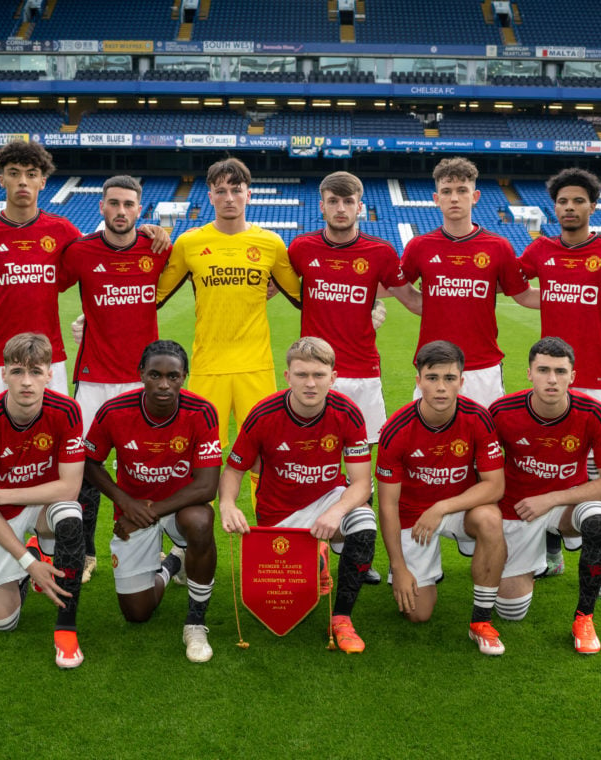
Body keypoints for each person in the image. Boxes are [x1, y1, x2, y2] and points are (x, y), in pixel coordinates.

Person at [0, 141, 81, 609]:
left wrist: (151, 231)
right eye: (14, 173)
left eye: (31, 173)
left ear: (44, 181)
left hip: (52, 364)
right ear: (1, 179)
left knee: (55, 458)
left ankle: (53, 548)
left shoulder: (62, 230)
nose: (23, 181)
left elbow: (102, 265)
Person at [288, 170, 422, 584]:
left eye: (349, 202)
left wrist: (464, 297)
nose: (341, 208)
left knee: (360, 466)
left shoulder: (380, 252)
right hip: (315, 375)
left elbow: (412, 300)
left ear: (360, 206)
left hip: (362, 374)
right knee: (315, 462)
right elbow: (268, 290)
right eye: (333, 201)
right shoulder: (301, 248)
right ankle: (316, 548)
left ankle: (354, 551)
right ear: (322, 205)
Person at [518, 167, 601, 597]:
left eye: (578, 201)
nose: (569, 208)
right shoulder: (539, 250)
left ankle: (600, 564)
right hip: (548, 380)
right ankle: (551, 554)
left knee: (599, 477)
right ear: (553, 207)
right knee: (547, 467)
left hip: (595, 384)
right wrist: (552, 296)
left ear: (592, 205)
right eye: (562, 201)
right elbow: (516, 290)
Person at [218, 338, 376, 653]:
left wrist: (336, 512)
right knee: (283, 606)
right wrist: (227, 504)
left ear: (333, 377)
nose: (310, 383)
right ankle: (316, 555)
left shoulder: (348, 413)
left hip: (328, 497)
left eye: (319, 375)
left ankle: (342, 618)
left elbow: (361, 483)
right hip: (279, 515)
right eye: (302, 375)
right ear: (287, 377)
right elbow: (234, 470)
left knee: (364, 525)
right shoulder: (263, 415)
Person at [57, 175, 173, 585]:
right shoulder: (81, 252)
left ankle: (144, 539)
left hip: (142, 381)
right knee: (86, 466)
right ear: (101, 208)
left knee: (144, 465)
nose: (121, 211)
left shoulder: (157, 248)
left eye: (129, 204)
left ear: (140, 210)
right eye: (113, 204)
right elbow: (40, 287)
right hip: (93, 380)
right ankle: (84, 551)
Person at [83, 340, 220, 663]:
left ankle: (196, 621)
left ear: (184, 376)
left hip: (178, 506)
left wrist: (145, 511)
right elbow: (90, 462)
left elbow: (207, 487)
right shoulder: (114, 411)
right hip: (136, 509)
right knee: (137, 613)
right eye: (154, 375)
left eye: (173, 376)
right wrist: (125, 502)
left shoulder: (201, 411)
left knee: (200, 522)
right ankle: (173, 562)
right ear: (140, 374)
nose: (163, 385)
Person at [0, 332, 87, 669]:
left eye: (35, 371)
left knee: (71, 515)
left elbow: (70, 488)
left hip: (46, 504)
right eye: (17, 372)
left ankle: (66, 630)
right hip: (1, 516)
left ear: (49, 374)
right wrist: (28, 564)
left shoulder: (68, 411)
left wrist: (3, 493)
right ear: (3, 375)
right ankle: (27, 559)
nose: (26, 382)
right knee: (2, 623)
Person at [157, 157, 301, 451]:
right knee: (201, 452)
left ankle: (262, 501)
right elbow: (151, 297)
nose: (229, 197)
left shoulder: (271, 244)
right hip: (207, 367)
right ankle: (207, 501)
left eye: (236, 190)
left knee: (263, 450)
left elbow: (306, 297)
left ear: (249, 194)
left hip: (256, 367)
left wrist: (370, 305)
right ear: (210, 196)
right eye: (221, 191)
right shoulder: (189, 243)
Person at [488, 337, 601, 654]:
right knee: (510, 612)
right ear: (529, 373)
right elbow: (483, 472)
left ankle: (584, 617)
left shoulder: (594, 413)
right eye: (543, 370)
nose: (552, 379)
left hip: (564, 506)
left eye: (560, 371)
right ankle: (531, 562)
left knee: (599, 518)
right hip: (517, 510)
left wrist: (550, 498)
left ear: (573, 376)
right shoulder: (501, 412)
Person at [376, 340, 509, 656]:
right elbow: (387, 505)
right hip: (412, 515)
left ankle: (481, 622)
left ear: (462, 382)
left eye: (450, 378)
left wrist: (442, 506)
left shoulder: (477, 417)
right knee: (417, 614)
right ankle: (418, 568)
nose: (440, 387)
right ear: (418, 380)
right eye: (432, 377)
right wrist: (398, 566)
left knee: (490, 518)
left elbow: (495, 486)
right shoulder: (396, 430)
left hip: (457, 509)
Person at [401, 157, 538, 409]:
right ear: (436, 198)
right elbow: (394, 285)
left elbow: (524, 295)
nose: (454, 198)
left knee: (486, 443)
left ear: (475, 196)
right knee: (429, 441)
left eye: (462, 191)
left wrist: (570, 296)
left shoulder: (498, 246)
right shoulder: (419, 246)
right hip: (432, 364)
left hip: (483, 366)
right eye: (447, 191)